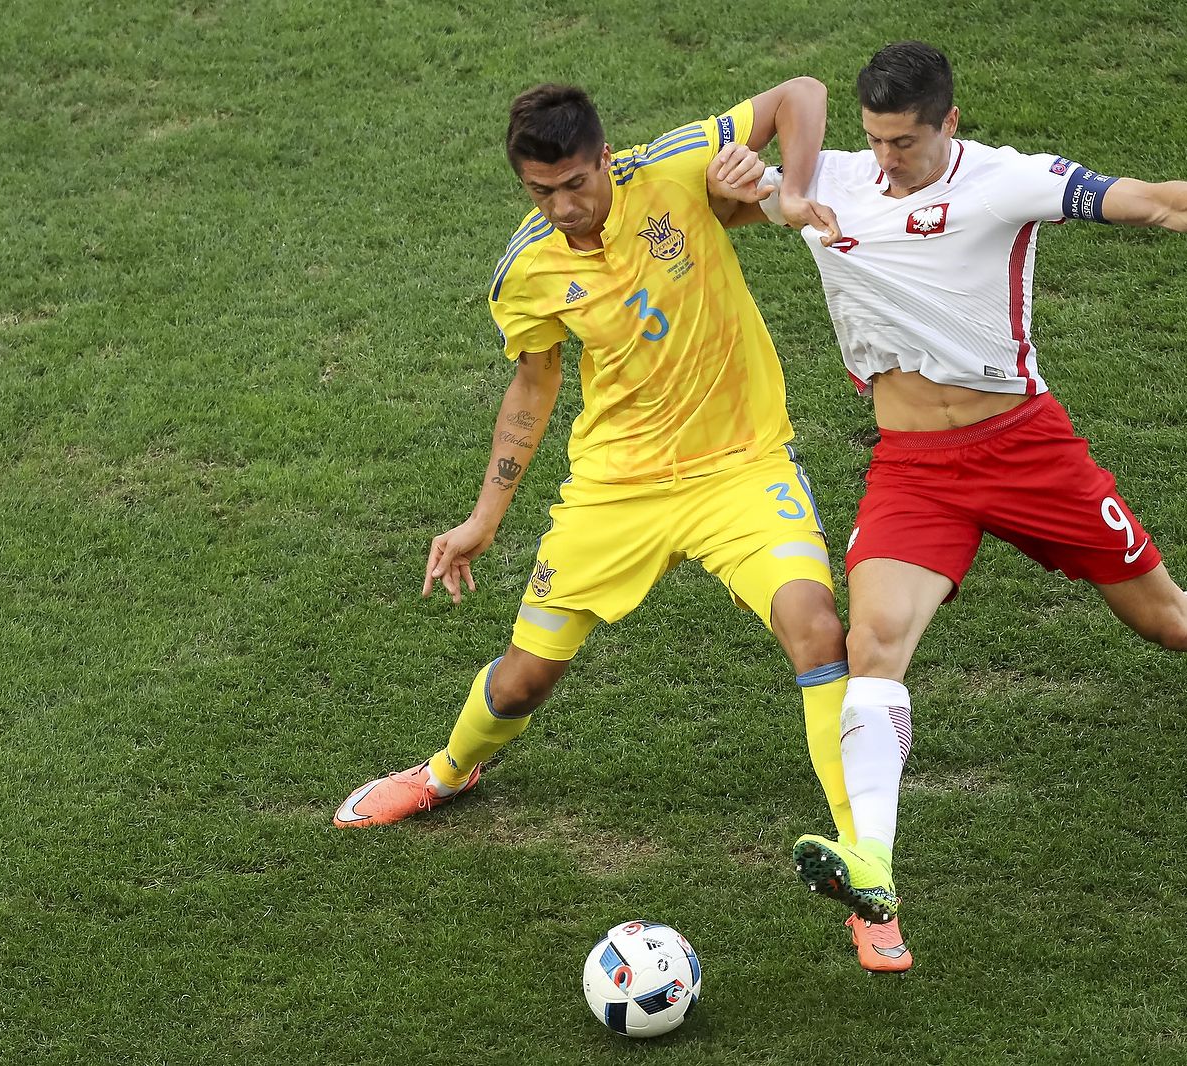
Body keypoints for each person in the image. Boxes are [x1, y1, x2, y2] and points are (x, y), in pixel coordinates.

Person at [737, 41, 1187, 963]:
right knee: (872, 643)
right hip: (913, 465)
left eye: (904, 142)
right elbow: (742, 157)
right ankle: (874, 872)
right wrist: (750, 182)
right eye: (873, 139)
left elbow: (1149, 202)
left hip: (1026, 450)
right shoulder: (830, 179)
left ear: (949, 123)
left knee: (1171, 624)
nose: (885, 161)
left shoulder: (1006, 182)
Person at [332, 77, 895, 968]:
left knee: (818, 629)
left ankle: (867, 876)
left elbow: (801, 94)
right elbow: (534, 385)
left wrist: (788, 193)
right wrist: (484, 518)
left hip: (741, 467)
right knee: (523, 682)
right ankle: (444, 772)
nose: (562, 206)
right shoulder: (526, 269)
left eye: (574, 184)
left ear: (603, 157)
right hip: (615, 490)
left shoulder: (670, 167)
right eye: (540, 192)